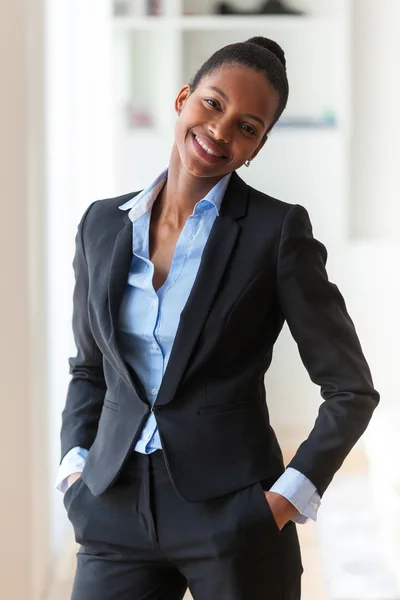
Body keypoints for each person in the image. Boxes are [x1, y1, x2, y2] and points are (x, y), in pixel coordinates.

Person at [56, 36, 380, 600]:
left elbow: (350, 390)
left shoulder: (275, 233)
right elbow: (89, 368)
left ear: (257, 147)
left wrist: (279, 505)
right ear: (183, 98)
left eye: (248, 127)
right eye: (212, 104)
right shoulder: (101, 225)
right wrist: (73, 476)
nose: (222, 131)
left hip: (233, 519)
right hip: (111, 509)